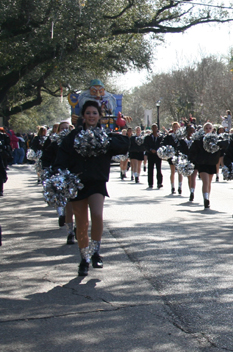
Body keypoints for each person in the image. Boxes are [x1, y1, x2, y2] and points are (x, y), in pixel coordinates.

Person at [55, 100, 131, 276]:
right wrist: (60, 174)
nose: (91, 116)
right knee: (81, 222)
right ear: (83, 116)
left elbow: (124, 144)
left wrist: (116, 130)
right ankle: (84, 258)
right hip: (77, 183)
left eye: (94, 113)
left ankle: (96, 251)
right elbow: (61, 158)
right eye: (88, 113)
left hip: (96, 182)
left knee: (97, 214)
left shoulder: (105, 136)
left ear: (99, 116)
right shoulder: (72, 137)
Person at [190, 122, 228, 209]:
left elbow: (223, 147)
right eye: (206, 128)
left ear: (212, 129)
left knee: (209, 182)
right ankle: (206, 199)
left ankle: (207, 197)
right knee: (205, 181)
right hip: (202, 163)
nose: (208, 130)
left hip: (212, 163)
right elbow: (193, 151)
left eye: (209, 128)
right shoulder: (199, 140)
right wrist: (195, 159)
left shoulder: (217, 139)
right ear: (204, 130)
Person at [176, 124, 197, 202]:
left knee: (193, 177)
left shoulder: (195, 140)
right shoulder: (182, 141)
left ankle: (192, 192)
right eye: (190, 130)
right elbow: (179, 149)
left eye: (193, 131)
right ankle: (191, 191)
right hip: (185, 160)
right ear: (187, 131)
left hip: (194, 161)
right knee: (189, 177)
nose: (191, 132)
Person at [143, 124, 163, 189]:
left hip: (158, 155)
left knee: (158, 169)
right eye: (153, 127)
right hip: (151, 155)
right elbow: (145, 146)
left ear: (157, 128)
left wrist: (157, 150)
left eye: (156, 127)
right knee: (150, 169)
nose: (154, 129)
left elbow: (162, 145)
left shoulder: (160, 137)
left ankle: (159, 183)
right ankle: (150, 183)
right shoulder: (147, 137)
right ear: (151, 128)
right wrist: (150, 150)